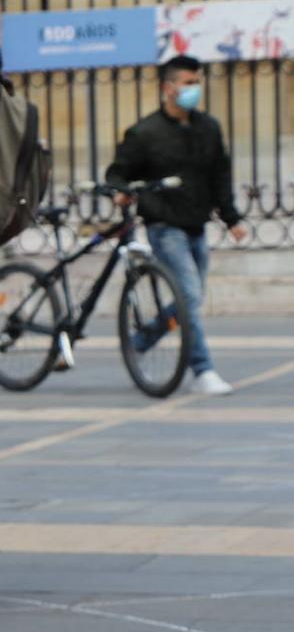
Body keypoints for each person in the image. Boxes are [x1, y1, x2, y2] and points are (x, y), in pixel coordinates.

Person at [105, 55, 247, 396]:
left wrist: (231, 218)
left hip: (196, 224)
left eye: (196, 82)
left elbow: (220, 175)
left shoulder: (208, 128)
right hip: (164, 225)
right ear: (168, 88)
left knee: (189, 299)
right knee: (190, 294)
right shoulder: (145, 133)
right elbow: (118, 172)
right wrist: (121, 193)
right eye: (187, 83)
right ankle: (203, 369)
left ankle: (144, 337)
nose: (193, 90)